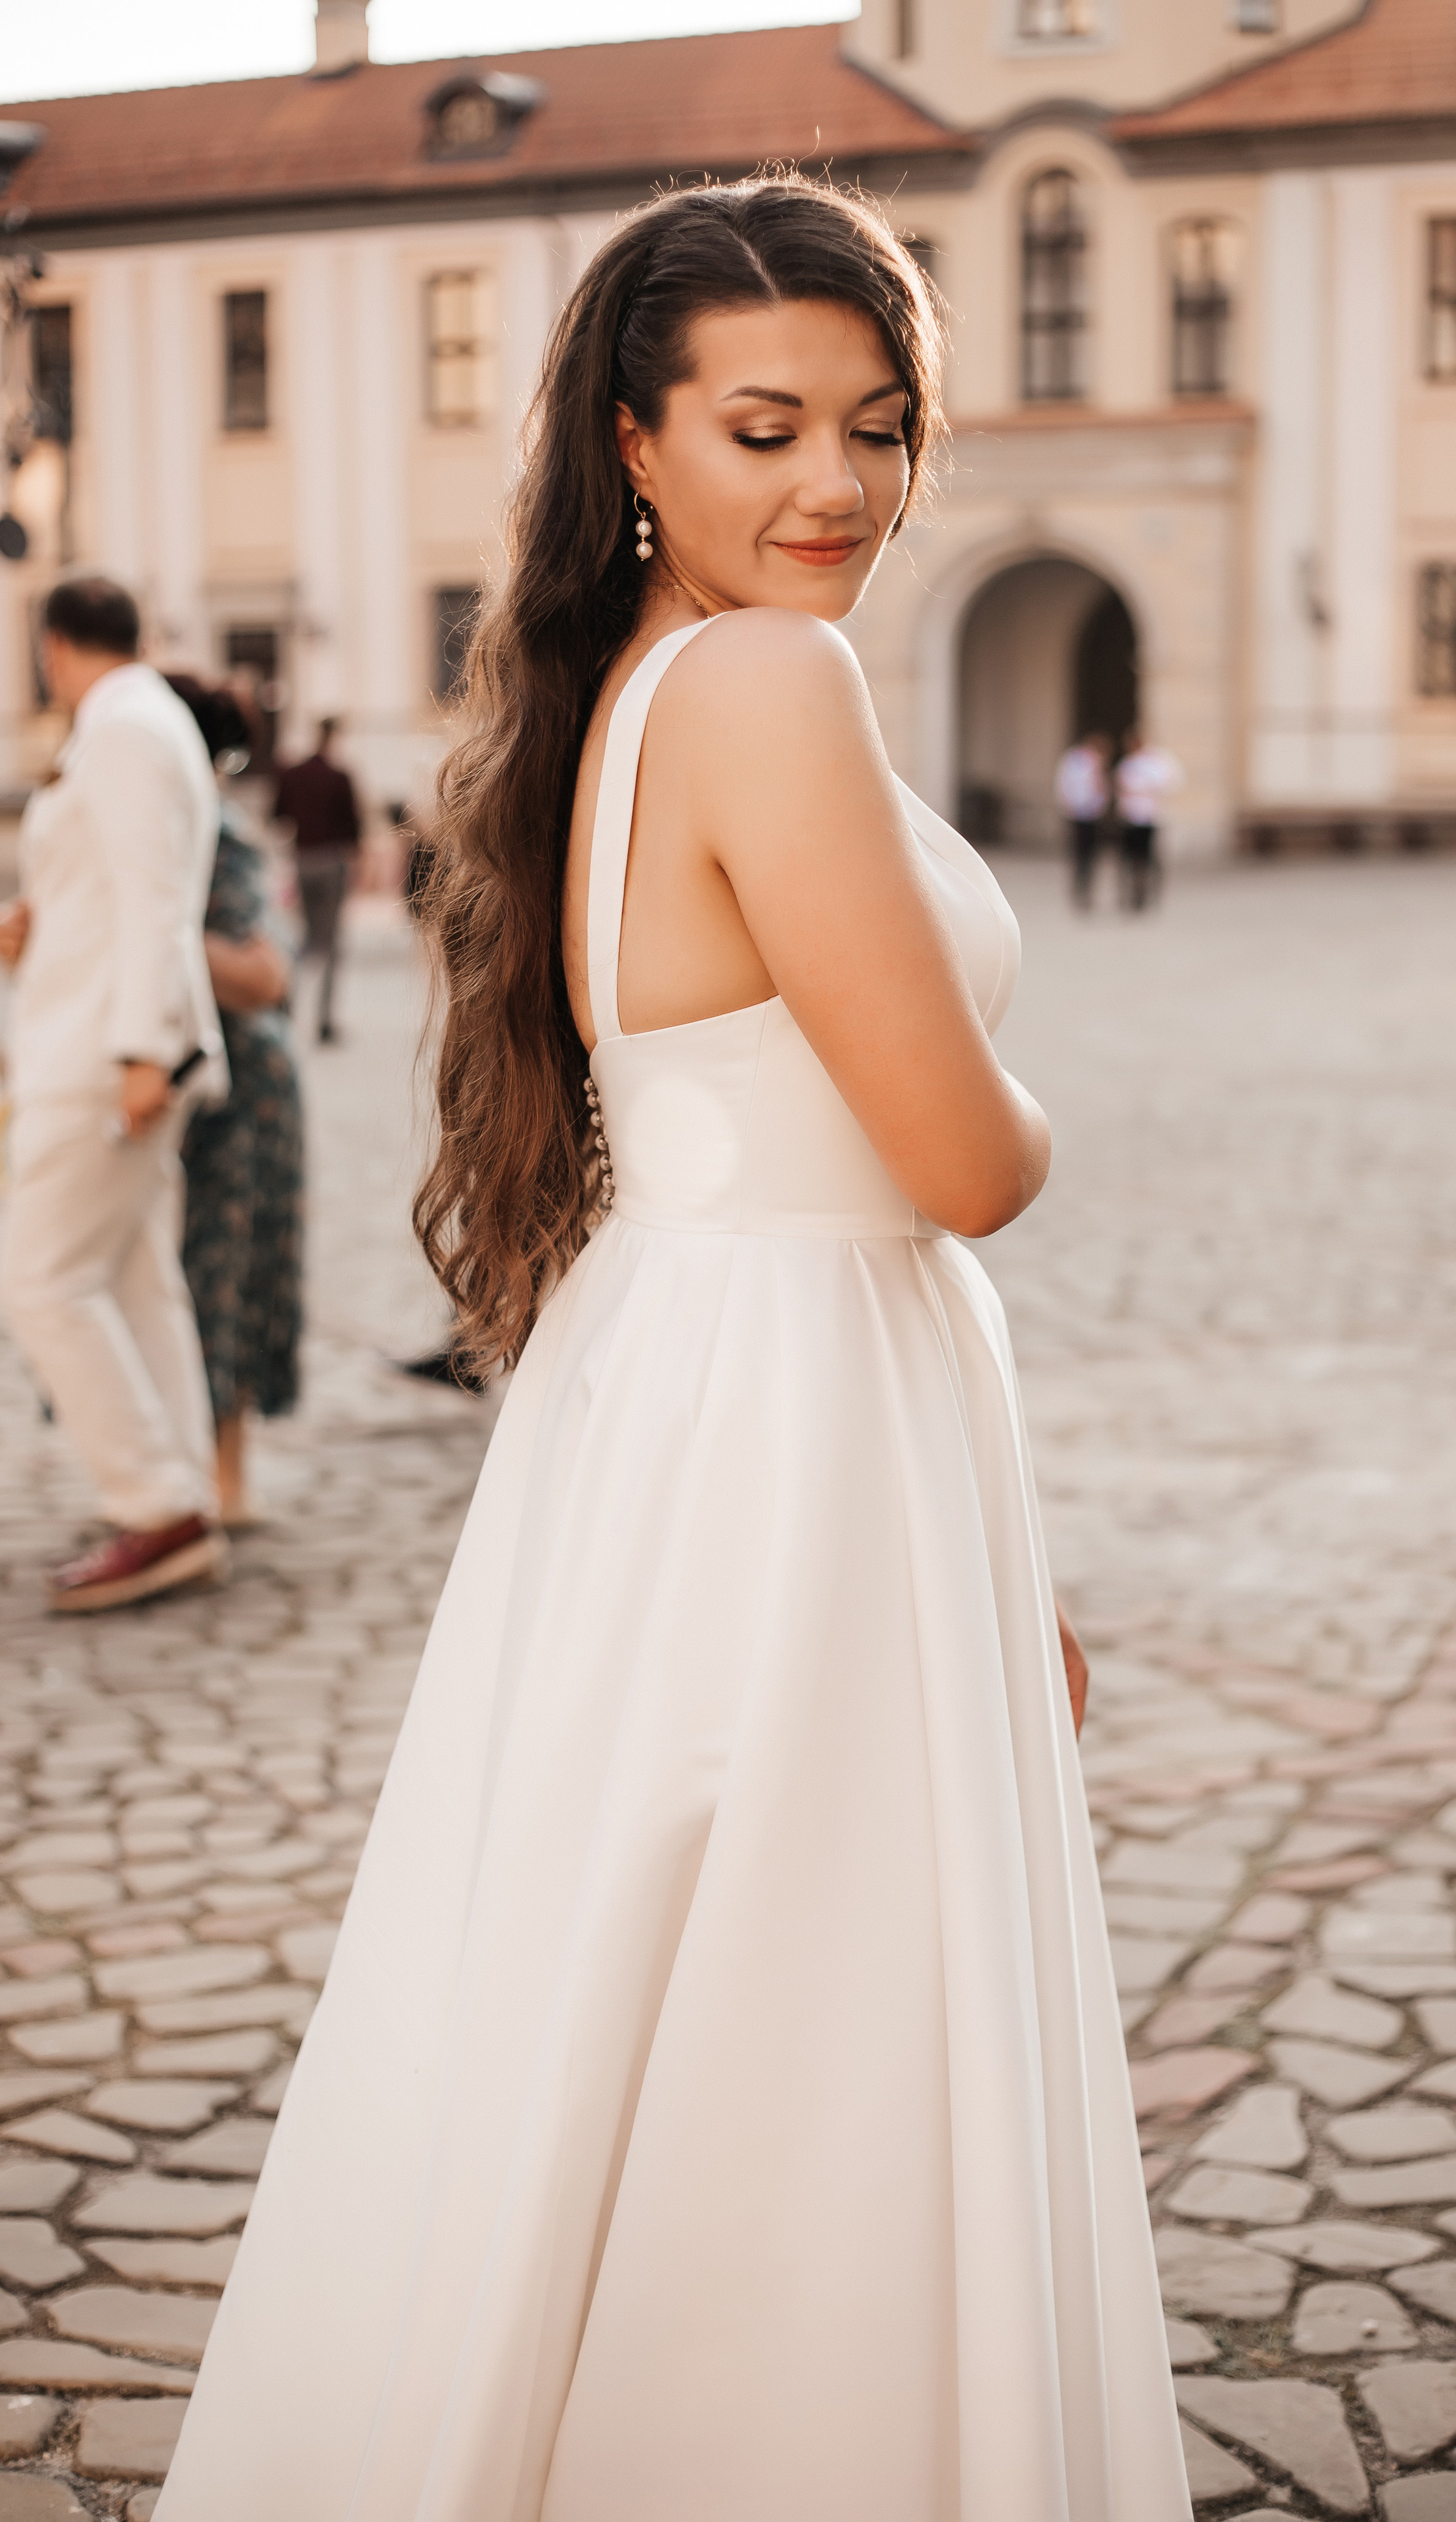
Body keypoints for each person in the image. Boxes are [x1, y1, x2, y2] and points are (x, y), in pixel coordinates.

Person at [156, 179, 1189, 2522]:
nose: (832, 482)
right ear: (636, 442)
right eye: (758, 426)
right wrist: (1014, 1098)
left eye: (876, 423)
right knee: (804, 2033)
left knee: (652, 1998)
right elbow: (953, 1158)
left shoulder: (627, 691)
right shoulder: (761, 681)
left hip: (741, 1401)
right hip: (797, 1402)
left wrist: (978, 1548)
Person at [0, 576, 229, 1612]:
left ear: (52, 647)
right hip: (106, 1035)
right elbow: (115, 891)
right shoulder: (140, 721)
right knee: (136, 1279)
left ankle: (157, 1506)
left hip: (103, 1054)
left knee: (41, 1279)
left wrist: (142, 1048)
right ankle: (177, 1487)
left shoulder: (128, 727)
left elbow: (155, 900)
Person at [168, 678, 305, 1528]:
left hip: (241, 1089)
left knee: (226, 1272)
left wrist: (154, 931)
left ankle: (226, 1481)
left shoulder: (216, 832)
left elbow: (263, 974)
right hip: (200, 1079)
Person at [272, 715, 361, 1043]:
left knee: (306, 938)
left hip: (303, 859)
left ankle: (286, 1002)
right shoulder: (340, 776)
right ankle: (324, 1019)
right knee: (332, 942)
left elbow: (278, 815)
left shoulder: (293, 774)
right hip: (332, 861)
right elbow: (354, 830)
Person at [1114, 725, 1183, 913]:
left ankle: (1148, 895)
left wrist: (1145, 790)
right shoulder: (1127, 764)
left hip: (1149, 817)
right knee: (1130, 858)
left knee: (1148, 858)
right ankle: (1131, 896)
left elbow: (1168, 784)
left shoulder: (1156, 761)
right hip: (1130, 817)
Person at [1055, 726, 1116, 908]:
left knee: (1090, 855)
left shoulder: (1097, 762)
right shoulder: (1075, 760)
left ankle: (1086, 890)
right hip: (1078, 813)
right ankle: (1079, 890)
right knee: (1080, 854)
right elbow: (1065, 784)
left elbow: (1102, 789)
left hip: (1092, 814)